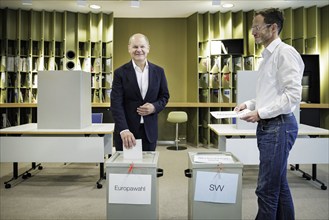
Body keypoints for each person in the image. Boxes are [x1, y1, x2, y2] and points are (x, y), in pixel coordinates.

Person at [234, 8, 304, 220]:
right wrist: (248, 104)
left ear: (273, 28)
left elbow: (292, 96)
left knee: (267, 189)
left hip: (279, 126)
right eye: (252, 28)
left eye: (257, 27)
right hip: (270, 126)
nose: (253, 32)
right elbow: (270, 96)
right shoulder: (266, 57)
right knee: (278, 184)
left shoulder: (285, 53)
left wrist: (260, 113)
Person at [111, 33, 170, 151]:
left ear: (148, 48)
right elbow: (116, 103)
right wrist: (123, 129)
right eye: (135, 47)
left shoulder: (159, 71)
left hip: (149, 132)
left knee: (148, 167)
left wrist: (154, 107)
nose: (139, 50)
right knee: (126, 168)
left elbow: (164, 96)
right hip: (127, 133)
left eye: (142, 46)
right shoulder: (120, 73)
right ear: (129, 48)